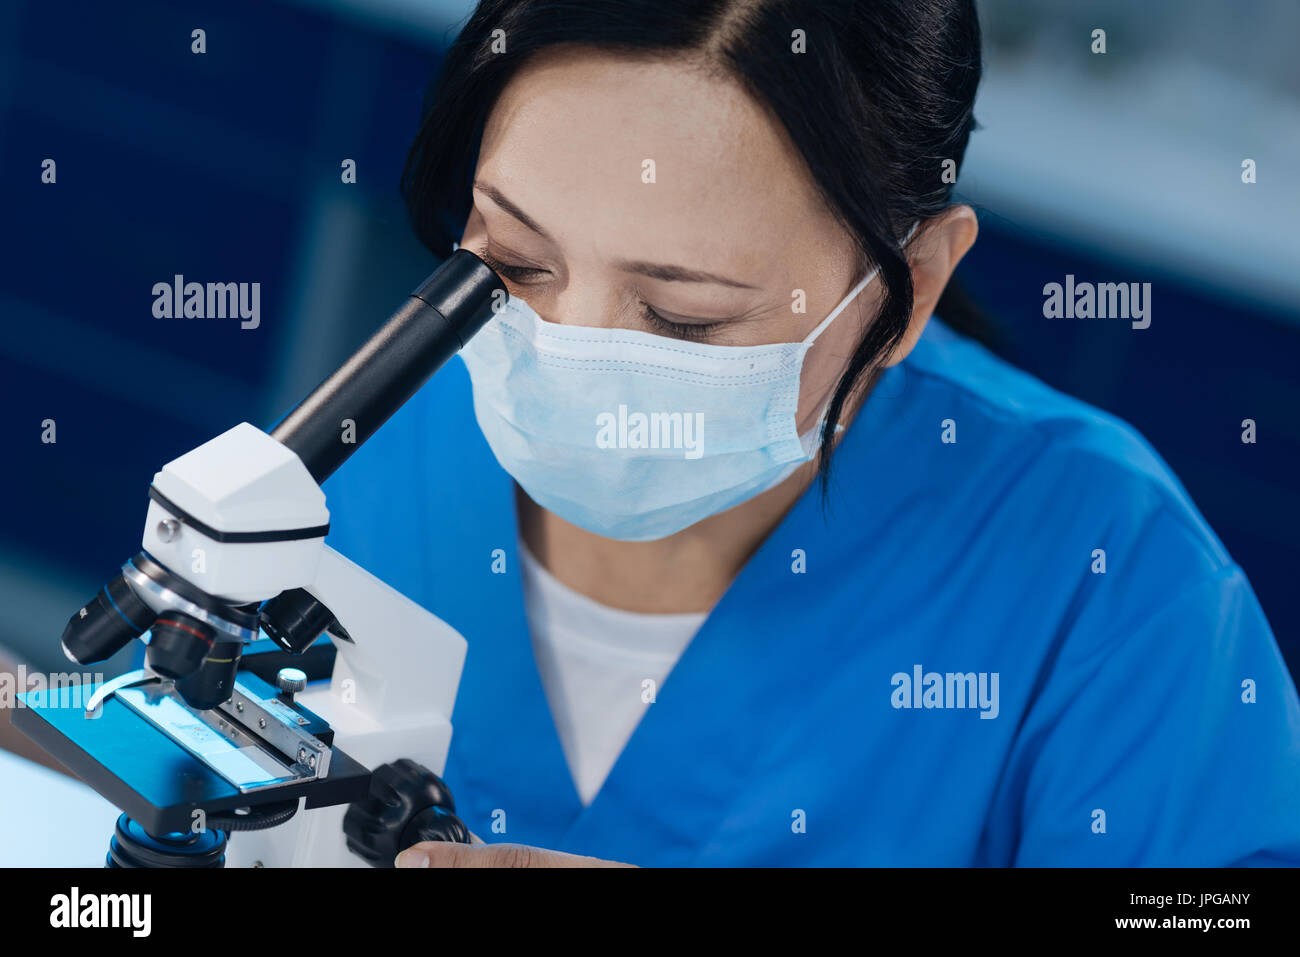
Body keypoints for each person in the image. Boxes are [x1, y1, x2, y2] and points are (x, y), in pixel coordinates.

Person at [321, 0, 1300, 866]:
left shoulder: (1107, 578)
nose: (572, 360)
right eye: (520, 261)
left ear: (909, 286)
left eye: (683, 317)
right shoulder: (365, 446)